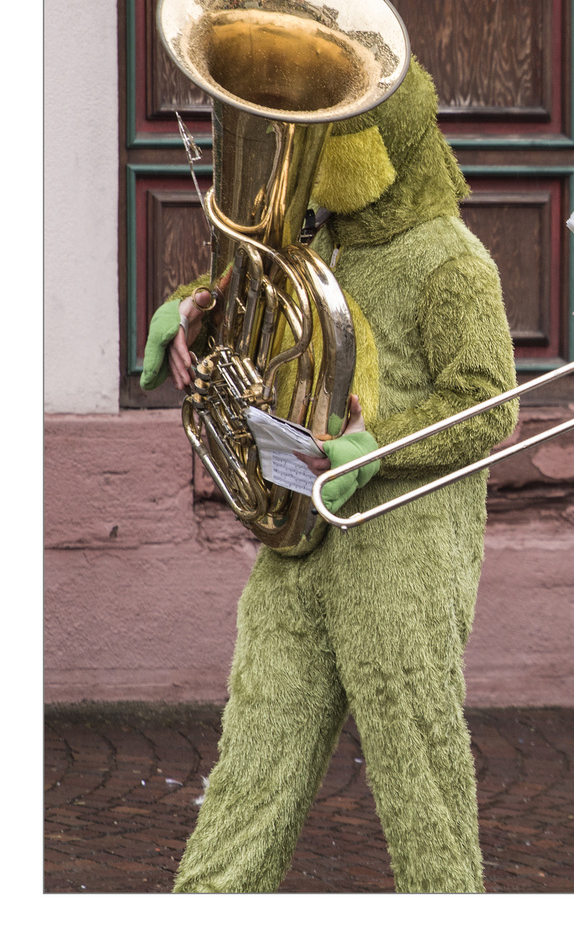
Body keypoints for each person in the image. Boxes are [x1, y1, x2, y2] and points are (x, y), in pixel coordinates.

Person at [140, 61, 519, 892]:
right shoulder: (315, 241)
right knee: (250, 772)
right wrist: (193, 314)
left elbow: (491, 406)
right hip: (300, 544)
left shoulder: (454, 260)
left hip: (402, 557)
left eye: (335, 134)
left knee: (424, 798)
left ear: (391, 143)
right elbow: (258, 314)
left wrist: (375, 444)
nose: (310, 154)